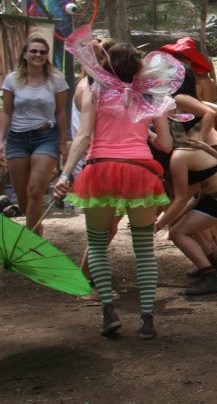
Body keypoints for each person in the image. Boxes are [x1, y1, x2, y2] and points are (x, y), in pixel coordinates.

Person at [53, 28, 183, 339]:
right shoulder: (151, 96)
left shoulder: (94, 92)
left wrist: (65, 174)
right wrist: (144, 132)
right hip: (140, 172)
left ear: (107, 66)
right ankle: (147, 320)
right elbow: (166, 145)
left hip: (100, 170)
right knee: (144, 249)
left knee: (98, 245)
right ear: (139, 67)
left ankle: (108, 310)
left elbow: (83, 136)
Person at [156, 136, 217, 296]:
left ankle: (210, 278)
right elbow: (194, 194)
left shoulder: (178, 157)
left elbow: (180, 199)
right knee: (183, 225)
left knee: (177, 233)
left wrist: (157, 225)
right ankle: (213, 268)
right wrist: (172, 219)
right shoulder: (186, 145)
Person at [0, 35, 69, 233]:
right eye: (34, 51)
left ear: (47, 56)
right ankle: (36, 230)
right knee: (23, 196)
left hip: (45, 137)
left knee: (35, 191)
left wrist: (63, 143)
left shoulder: (56, 80)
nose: (38, 55)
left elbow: (60, 112)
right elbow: (6, 112)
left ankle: (34, 242)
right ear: (25, 54)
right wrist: (1, 140)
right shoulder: (12, 79)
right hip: (17, 138)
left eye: (42, 52)